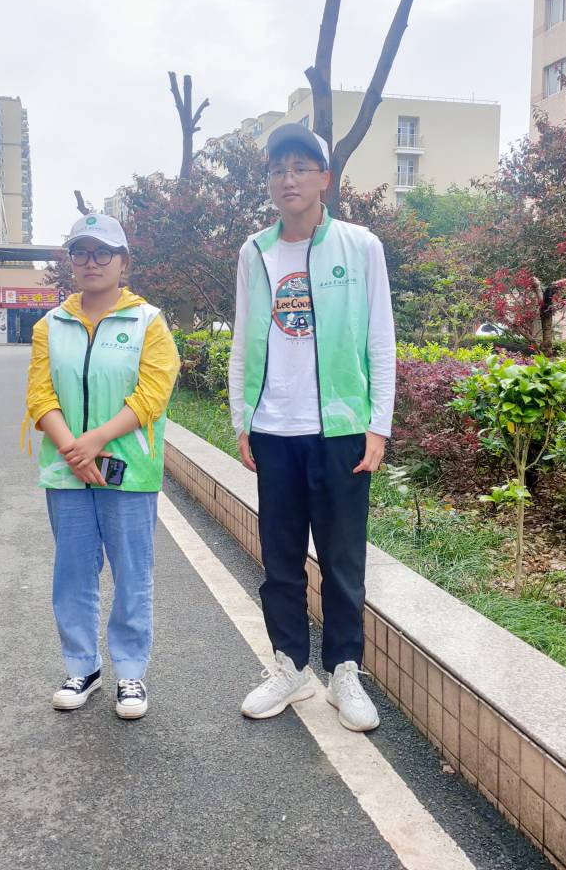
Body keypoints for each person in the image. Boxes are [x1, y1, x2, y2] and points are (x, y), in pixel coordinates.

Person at [228, 123, 396, 732]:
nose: (288, 179)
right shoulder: (254, 251)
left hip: (341, 430)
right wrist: (241, 419)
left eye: (301, 167)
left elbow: (381, 339)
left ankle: (344, 671)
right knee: (280, 561)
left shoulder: (360, 246)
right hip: (273, 428)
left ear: (324, 178)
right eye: (278, 169)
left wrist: (378, 426)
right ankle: (290, 667)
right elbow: (243, 340)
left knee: (342, 560)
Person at [24, 213, 180, 720]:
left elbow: (152, 393)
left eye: (103, 253)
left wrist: (95, 441)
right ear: (71, 261)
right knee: (72, 573)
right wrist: (74, 449)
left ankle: (130, 672)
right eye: (81, 252)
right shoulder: (50, 326)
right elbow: (40, 395)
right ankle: (82, 667)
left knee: (132, 573)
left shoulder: (147, 322)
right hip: (66, 470)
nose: (92, 262)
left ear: (123, 262)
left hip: (128, 470)